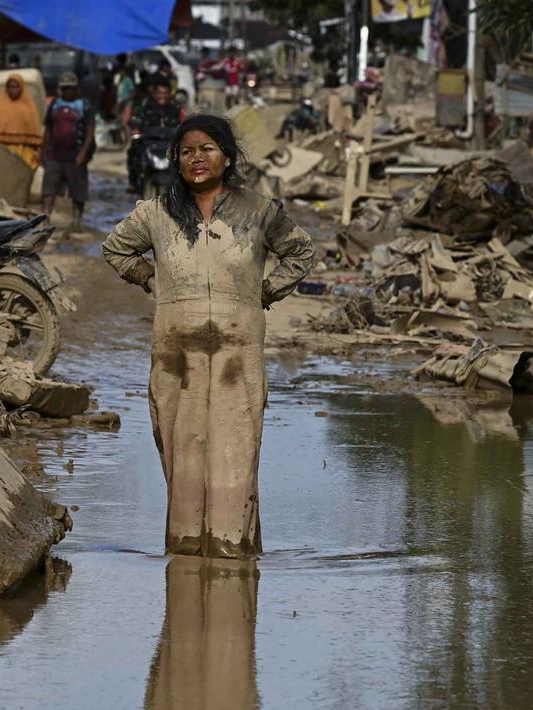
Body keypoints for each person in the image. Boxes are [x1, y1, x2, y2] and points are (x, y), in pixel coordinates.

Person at [101, 115, 315, 558]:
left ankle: (231, 554)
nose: (197, 158)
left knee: (235, 455)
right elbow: (115, 248)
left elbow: (301, 252)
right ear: (176, 161)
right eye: (187, 152)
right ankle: (184, 561)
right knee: (184, 457)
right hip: (176, 358)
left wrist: (265, 292)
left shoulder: (259, 211)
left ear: (227, 156)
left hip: (239, 359)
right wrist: (149, 279)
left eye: (207, 149)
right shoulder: (157, 214)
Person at [41, 72, 95, 226]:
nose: (67, 92)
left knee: (78, 191)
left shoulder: (84, 105)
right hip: (55, 154)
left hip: (76, 154)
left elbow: (89, 132)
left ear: (77, 88)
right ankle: (45, 218)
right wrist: (44, 150)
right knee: (48, 189)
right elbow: (48, 129)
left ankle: (76, 221)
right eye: (64, 89)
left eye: (70, 88)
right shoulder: (55, 104)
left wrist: (83, 153)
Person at [124, 77, 186, 193]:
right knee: (134, 152)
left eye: (165, 93)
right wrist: (135, 129)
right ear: (154, 93)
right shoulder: (145, 105)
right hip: (149, 143)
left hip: (169, 144)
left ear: (169, 93)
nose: (162, 96)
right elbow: (135, 120)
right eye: (159, 93)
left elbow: (183, 122)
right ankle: (133, 182)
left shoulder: (176, 107)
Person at [0, 74, 43, 169]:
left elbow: (35, 134)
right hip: (3, 150)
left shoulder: (29, 107)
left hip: (24, 152)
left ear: (21, 87)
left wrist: (38, 150)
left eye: (15, 87)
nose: (13, 90)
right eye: (10, 87)